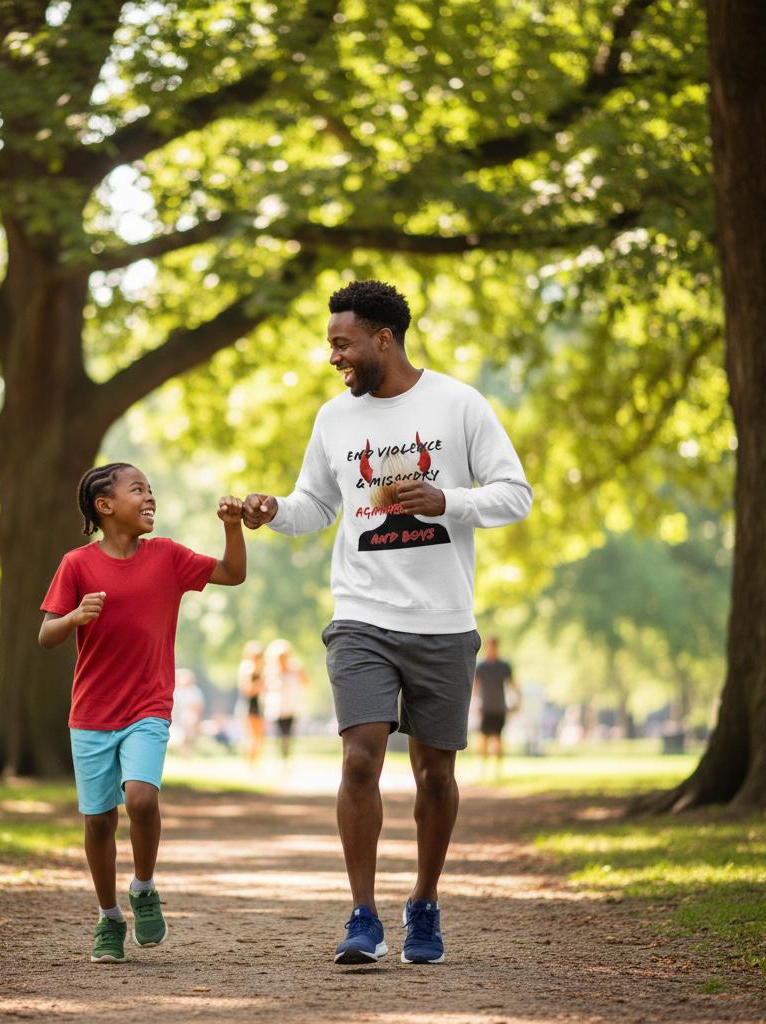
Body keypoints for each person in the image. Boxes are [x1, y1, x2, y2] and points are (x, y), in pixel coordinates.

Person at [241, 279, 532, 966]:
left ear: (384, 339)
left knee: (435, 774)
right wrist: (273, 510)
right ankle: (363, 915)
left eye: (343, 344)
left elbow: (515, 495)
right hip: (361, 615)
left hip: (443, 619)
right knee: (359, 758)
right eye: (330, 345)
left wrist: (446, 501)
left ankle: (424, 904)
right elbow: (316, 506)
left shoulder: (459, 404)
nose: (334, 357)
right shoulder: (333, 419)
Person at [38, 462, 246, 963]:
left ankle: (144, 887)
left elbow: (233, 573)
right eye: (138, 490)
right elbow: (46, 635)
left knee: (142, 798)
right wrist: (74, 616)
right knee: (98, 822)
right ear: (105, 506)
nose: (150, 497)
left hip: (148, 707)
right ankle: (109, 917)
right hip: (91, 713)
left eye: (151, 489)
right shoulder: (76, 564)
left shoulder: (167, 557)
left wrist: (232, 527)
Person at [473, 637, 520, 775]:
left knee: (497, 739)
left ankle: (498, 771)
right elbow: (475, 687)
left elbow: (513, 685)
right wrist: (476, 704)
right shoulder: (481, 666)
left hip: (499, 708)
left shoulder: (504, 666)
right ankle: (483, 769)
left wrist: (517, 702)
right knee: (483, 740)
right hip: (485, 708)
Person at [262, 639, 309, 759]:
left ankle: (287, 757)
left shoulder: (295, 670)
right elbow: (264, 688)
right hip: (276, 709)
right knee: (278, 735)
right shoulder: (270, 671)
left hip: (291, 707)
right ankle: (280, 756)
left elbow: (306, 682)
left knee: (288, 735)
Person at [237, 640, 266, 766]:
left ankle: (255, 762)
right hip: (249, 705)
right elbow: (247, 690)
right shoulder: (247, 668)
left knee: (259, 736)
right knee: (251, 735)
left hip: (259, 705)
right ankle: (250, 763)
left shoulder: (262, 668)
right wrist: (260, 686)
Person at [171, 668, 205, 753]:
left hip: (189, 718)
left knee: (189, 717)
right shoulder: (176, 691)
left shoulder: (195, 691)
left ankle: (188, 748)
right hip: (176, 717)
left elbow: (198, 707)